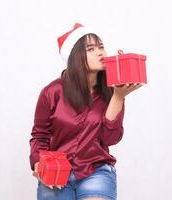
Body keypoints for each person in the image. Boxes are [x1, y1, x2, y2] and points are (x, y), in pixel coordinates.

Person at [29, 23, 143, 200]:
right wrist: (38, 163)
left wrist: (118, 97)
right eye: (91, 49)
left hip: (95, 170)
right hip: (56, 171)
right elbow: (39, 136)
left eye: (101, 47)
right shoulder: (51, 92)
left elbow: (109, 139)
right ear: (75, 57)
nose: (101, 53)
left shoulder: (113, 90)